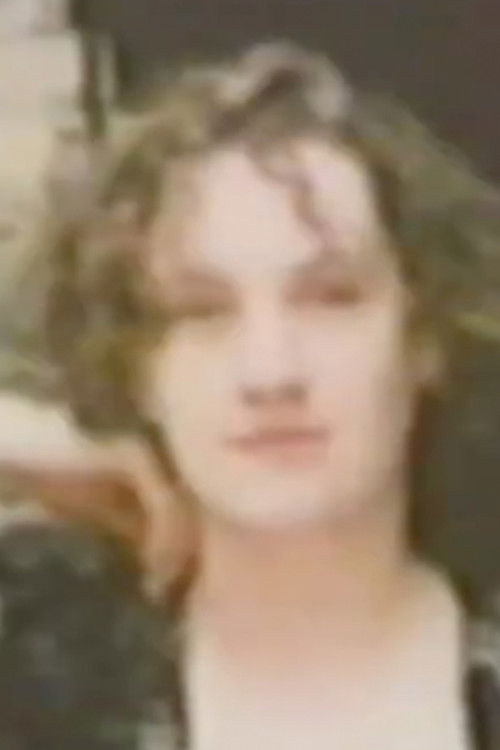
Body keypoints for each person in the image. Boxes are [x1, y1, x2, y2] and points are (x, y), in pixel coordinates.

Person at [1, 42, 500, 748]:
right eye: (201, 312)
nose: (271, 372)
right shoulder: (39, 683)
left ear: (424, 337)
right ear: (132, 361)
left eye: (330, 298)